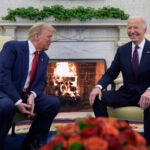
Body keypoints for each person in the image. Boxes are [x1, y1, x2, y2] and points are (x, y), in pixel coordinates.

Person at [89, 16, 150, 145]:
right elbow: (111, 73)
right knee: (97, 98)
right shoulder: (122, 50)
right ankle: (106, 138)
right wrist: (98, 87)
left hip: (146, 94)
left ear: (145, 29)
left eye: (135, 27)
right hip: (126, 93)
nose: (132, 31)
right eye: (129, 27)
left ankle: (147, 143)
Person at [0, 22, 60, 150]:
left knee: (52, 104)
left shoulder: (44, 57)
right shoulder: (13, 47)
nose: (51, 40)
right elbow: (2, 75)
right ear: (37, 36)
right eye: (49, 36)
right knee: (6, 106)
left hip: (26, 94)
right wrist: (18, 101)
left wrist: (33, 95)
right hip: (6, 91)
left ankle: (31, 143)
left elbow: (42, 81)